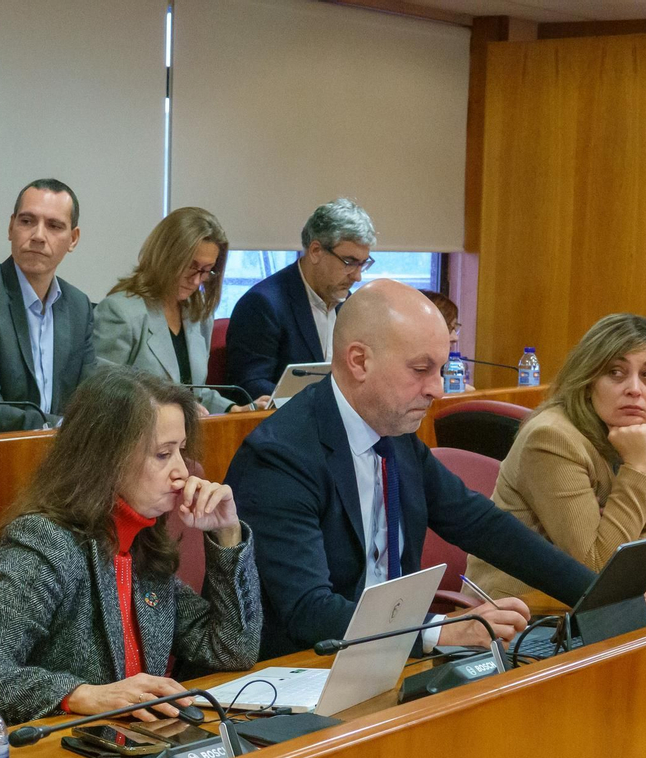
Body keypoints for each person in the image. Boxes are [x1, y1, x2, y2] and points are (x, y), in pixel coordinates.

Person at [225, 280, 598, 661]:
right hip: (295, 673)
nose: (436, 388)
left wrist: (599, 593)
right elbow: (309, 612)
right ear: (359, 361)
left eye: (441, 369)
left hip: (391, 655)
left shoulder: (392, 431)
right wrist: (440, 630)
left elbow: (482, 524)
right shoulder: (280, 457)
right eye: (421, 369)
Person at [0, 366, 261, 736]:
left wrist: (228, 534)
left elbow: (232, 649)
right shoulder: (46, 541)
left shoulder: (141, 545)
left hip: (117, 748)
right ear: (107, 458)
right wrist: (78, 694)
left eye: (181, 452)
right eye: (162, 454)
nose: (182, 473)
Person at [467, 314, 646, 602]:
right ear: (587, 379)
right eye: (616, 372)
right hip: (522, 615)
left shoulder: (638, 433)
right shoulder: (551, 439)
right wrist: (638, 469)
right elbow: (595, 568)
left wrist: (624, 557)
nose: (635, 389)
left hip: (592, 604)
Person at [0, 179, 96, 433]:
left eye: (54, 226)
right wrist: (60, 427)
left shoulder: (79, 306)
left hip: (63, 462)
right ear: (11, 227)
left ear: (73, 239)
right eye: (27, 221)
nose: (38, 236)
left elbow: (91, 402)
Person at [93, 207, 266, 413]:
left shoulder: (199, 314)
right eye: (190, 266)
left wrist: (232, 409)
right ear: (166, 256)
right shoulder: (120, 312)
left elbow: (196, 393)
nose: (196, 280)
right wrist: (171, 409)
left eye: (205, 270)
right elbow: (100, 398)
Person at [224, 198, 377, 401]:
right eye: (349, 262)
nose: (357, 277)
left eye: (363, 264)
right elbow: (249, 386)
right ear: (315, 251)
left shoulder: (350, 306)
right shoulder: (263, 304)